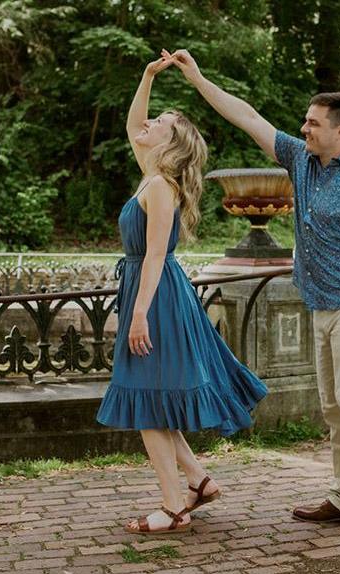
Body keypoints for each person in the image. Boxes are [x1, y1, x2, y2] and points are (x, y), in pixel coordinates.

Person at [168, 49, 340, 550]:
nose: (303, 128)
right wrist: (197, 79)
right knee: (336, 408)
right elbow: (248, 117)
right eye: (305, 121)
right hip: (322, 306)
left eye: (313, 123)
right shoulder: (301, 161)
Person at [95, 51, 269, 535]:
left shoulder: (160, 186)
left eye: (161, 123)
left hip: (156, 297)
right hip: (151, 291)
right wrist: (147, 76)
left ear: (171, 144)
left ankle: (174, 508)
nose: (149, 123)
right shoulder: (151, 175)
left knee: (148, 400)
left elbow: (155, 255)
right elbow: (133, 125)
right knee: (151, 395)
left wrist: (138, 314)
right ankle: (199, 482)